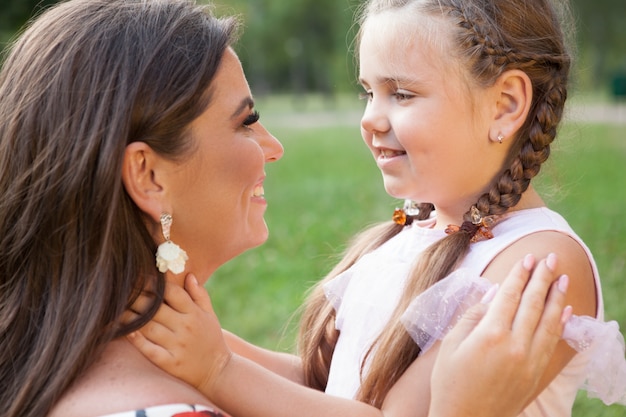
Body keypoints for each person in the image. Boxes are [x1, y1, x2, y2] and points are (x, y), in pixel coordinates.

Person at [0, 1, 579, 417]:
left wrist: (217, 360)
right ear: (147, 175)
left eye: (401, 93)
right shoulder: (420, 235)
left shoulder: (534, 266)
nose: (370, 118)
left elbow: (349, 398)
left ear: (506, 105)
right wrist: (213, 358)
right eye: (368, 91)